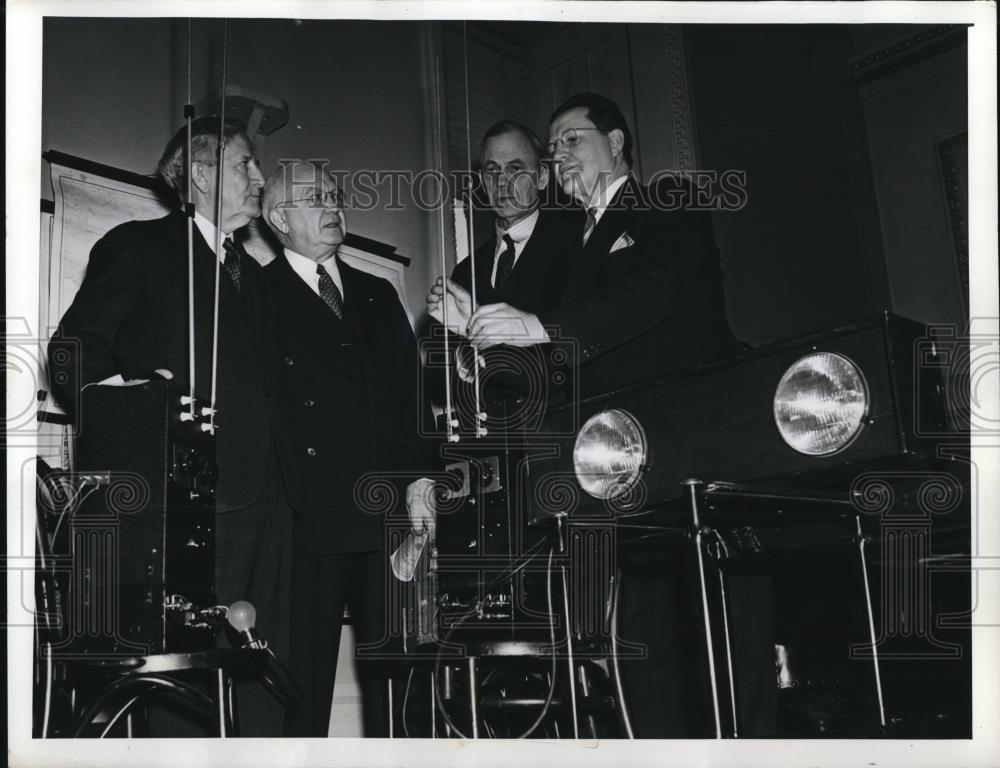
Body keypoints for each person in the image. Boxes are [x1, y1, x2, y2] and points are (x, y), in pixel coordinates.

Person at [433, 93, 746, 737]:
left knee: (710, 627)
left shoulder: (668, 202)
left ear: (618, 142)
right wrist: (476, 333)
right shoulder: (577, 242)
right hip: (614, 466)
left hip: (684, 442)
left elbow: (651, 294)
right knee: (635, 629)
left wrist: (539, 323)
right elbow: (558, 364)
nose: (560, 157)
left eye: (571, 140)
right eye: (556, 149)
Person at [48, 117, 299, 736]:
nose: (261, 178)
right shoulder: (137, 246)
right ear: (203, 172)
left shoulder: (257, 277)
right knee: (185, 675)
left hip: (269, 502)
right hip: (187, 500)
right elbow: (72, 350)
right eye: (246, 164)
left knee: (264, 670)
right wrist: (131, 409)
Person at [260, 160, 434, 737]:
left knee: (401, 677)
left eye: (335, 196)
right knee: (300, 682)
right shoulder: (255, 297)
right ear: (280, 217)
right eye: (316, 199)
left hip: (387, 520)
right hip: (304, 520)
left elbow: (414, 405)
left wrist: (421, 487)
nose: (334, 206)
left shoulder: (378, 294)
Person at [427, 120, 582, 417]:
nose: (502, 182)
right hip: (496, 439)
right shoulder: (464, 273)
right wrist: (465, 354)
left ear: (541, 178)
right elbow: (446, 384)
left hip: (566, 429)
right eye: (492, 171)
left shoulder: (575, 245)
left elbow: (570, 354)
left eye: (515, 169)